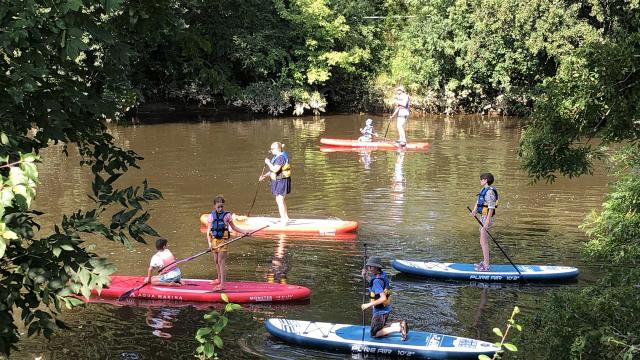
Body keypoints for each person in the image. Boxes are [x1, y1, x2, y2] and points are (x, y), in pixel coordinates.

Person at [360, 256, 408, 341]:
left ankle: (399, 328)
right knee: (380, 326)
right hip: (385, 309)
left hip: (380, 311)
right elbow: (376, 284)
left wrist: (368, 305)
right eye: (368, 266)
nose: (368, 268)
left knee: (374, 334)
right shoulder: (381, 275)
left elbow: (382, 298)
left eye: (370, 266)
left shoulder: (376, 281)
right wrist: (366, 277)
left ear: (376, 267)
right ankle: (400, 324)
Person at [206, 195, 246, 291]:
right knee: (216, 261)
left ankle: (223, 284)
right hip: (214, 241)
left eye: (222, 207)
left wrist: (244, 232)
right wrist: (209, 244)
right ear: (214, 206)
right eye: (218, 207)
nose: (220, 209)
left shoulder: (227, 216)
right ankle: (219, 279)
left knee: (221, 262)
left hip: (223, 241)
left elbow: (234, 227)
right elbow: (208, 232)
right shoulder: (211, 216)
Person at [470, 173, 498, 271]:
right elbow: (478, 201)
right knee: (482, 241)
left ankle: (486, 265)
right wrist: (474, 210)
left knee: (484, 241)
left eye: (481, 179)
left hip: (486, 218)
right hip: (482, 217)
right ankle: (485, 262)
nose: (480, 181)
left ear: (485, 180)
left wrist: (487, 222)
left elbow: (491, 207)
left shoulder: (490, 192)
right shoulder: (483, 190)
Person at [259, 142, 291, 225]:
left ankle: (284, 220)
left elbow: (275, 169)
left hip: (282, 180)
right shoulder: (277, 156)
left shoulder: (280, 158)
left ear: (278, 149)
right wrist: (264, 176)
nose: (271, 150)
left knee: (280, 200)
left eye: (272, 149)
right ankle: (286, 217)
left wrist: (268, 163)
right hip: (278, 180)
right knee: (280, 199)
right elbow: (272, 171)